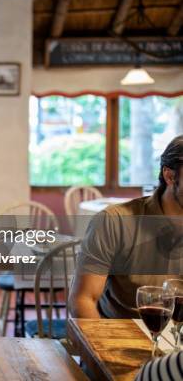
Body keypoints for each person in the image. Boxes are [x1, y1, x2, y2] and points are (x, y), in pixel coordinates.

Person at [69, 135, 183, 319]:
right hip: (121, 336)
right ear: (170, 175)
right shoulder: (114, 221)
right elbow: (83, 300)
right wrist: (103, 345)